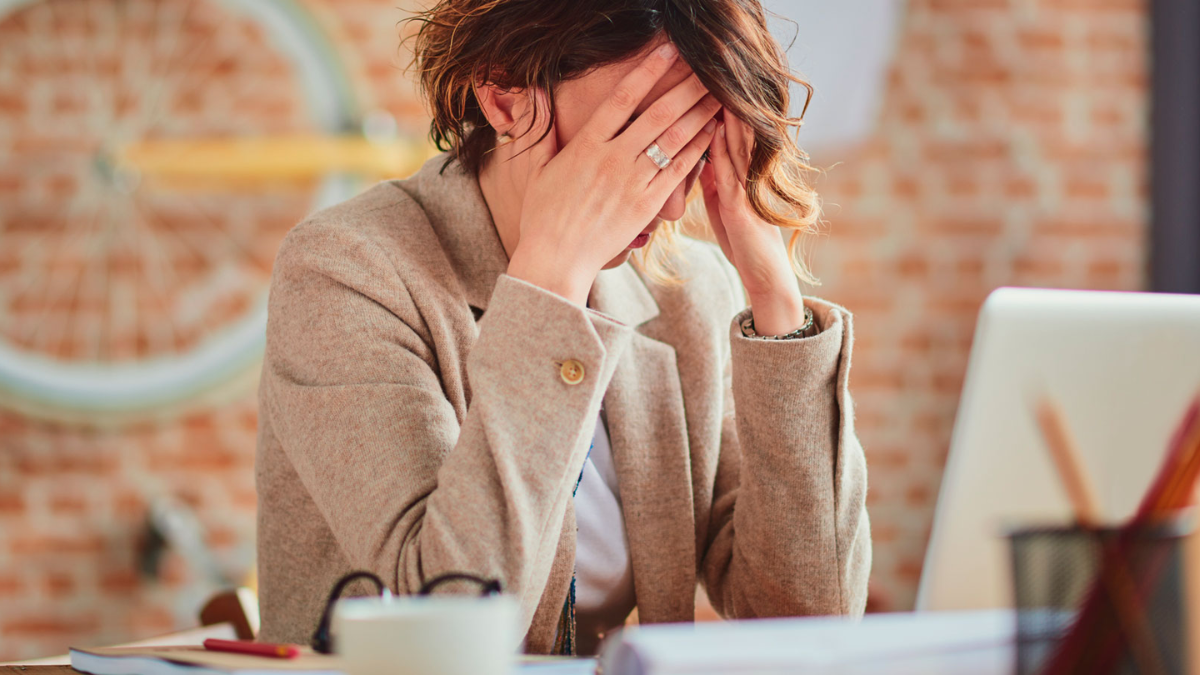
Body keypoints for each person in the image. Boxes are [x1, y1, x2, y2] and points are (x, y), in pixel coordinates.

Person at [255, 0, 870, 656]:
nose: (670, 202)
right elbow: (450, 619)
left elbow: (809, 619)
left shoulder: (687, 295)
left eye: (692, 144)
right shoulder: (347, 270)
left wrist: (774, 295)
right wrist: (549, 282)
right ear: (503, 98)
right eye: (640, 140)